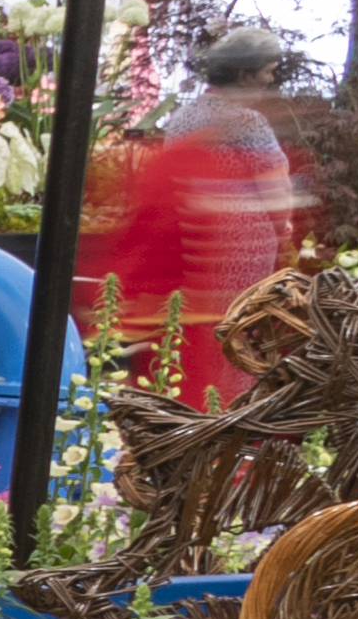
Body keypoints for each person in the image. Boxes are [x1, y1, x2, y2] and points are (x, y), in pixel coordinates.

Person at [75, 21, 312, 409]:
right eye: (268, 71)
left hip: (192, 242)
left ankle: (186, 403)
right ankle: (226, 408)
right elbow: (276, 190)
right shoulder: (248, 122)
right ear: (244, 73)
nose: (270, 81)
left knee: (191, 335)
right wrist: (284, 231)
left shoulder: (186, 114)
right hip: (238, 248)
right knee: (234, 332)